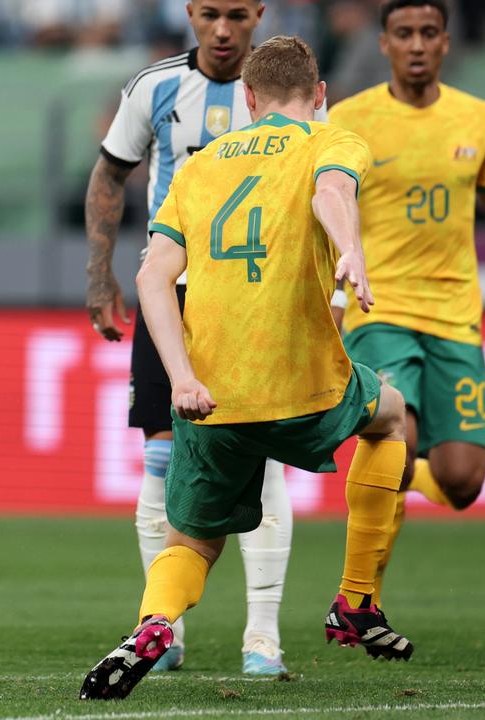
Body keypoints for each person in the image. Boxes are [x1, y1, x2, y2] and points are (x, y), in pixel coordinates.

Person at [80, 35, 414, 701]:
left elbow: (151, 279)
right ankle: (356, 599)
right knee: (393, 415)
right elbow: (332, 193)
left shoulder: (199, 169)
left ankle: (154, 623)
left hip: (212, 397)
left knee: (195, 540)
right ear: (320, 96)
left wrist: (181, 379)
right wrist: (350, 250)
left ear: (249, 99)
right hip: (305, 387)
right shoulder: (330, 137)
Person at [85, 0, 321, 676]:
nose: (223, 29)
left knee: (263, 450)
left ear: (258, 14)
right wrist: (100, 276)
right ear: (191, 13)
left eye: (237, 14)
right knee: (161, 453)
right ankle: (163, 630)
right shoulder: (155, 86)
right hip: (172, 294)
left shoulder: (288, 92)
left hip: (258, 294)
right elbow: (110, 172)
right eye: (210, 14)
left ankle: (262, 638)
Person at [329, 0, 485, 605]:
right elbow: (324, 213)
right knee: (394, 451)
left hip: (456, 317)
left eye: (429, 32)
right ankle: (360, 599)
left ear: (447, 42)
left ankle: (391, 528)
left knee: (460, 483)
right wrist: (331, 296)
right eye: (404, 33)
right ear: (385, 44)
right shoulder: (351, 119)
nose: (417, 44)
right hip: (382, 312)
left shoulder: (479, 119)